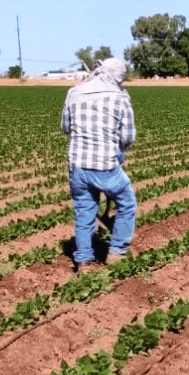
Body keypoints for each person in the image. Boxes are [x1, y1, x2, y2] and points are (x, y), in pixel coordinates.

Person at [61, 57, 137, 273]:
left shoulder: (74, 93)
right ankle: (117, 253)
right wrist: (119, 148)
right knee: (127, 203)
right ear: (118, 76)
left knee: (84, 211)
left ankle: (84, 261)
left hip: (77, 165)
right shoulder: (120, 98)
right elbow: (128, 137)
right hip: (105, 166)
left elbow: (65, 127)